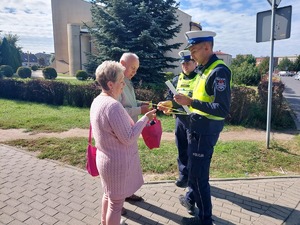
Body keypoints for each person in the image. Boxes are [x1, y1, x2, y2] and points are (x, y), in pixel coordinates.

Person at [173, 30, 232, 225]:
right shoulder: (204, 69)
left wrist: (191, 102)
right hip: (195, 129)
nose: (192, 55)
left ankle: (205, 219)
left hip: (204, 133)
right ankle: (190, 199)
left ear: (207, 47)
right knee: (193, 172)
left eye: (195, 50)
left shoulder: (218, 71)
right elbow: (196, 100)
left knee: (199, 179)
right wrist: (174, 106)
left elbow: (221, 109)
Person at [90, 60, 156, 225]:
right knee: (116, 204)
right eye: (121, 82)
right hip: (116, 163)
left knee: (108, 195)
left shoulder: (98, 100)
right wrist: (145, 119)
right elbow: (128, 138)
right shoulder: (113, 106)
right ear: (111, 84)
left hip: (105, 158)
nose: (123, 86)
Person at [157, 50, 198, 189]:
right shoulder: (176, 79)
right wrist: (167, 105)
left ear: (195, 63)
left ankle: (193, 176)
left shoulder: (200, 79)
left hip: (194, 120)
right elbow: (170, 97)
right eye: (183, 63)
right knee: (181, 147)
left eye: (188, 62)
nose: (185, 65)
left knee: (193, 149)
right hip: (179, 119)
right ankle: (183, 175)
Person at [118, 52, 152, 212]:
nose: (134, 72)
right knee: (121, 167)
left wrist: (142, 103)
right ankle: (117, 203)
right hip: (121, 133)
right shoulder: (117, 83)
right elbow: (118, 110)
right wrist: (140, 109)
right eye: (132, 68)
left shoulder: (127, 82)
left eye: (136, 69)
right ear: (122, 63)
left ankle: (128, 193)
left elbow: (130, 103)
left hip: (131, 130)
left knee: (130, 164)